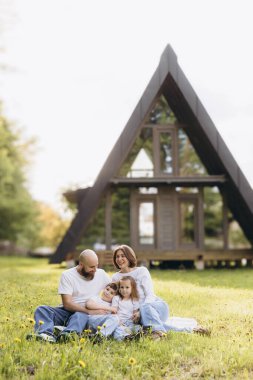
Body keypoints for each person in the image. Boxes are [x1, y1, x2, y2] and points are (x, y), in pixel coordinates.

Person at [111, 245, 209, 339]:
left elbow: (150, 295)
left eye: (123, 256)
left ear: (129, 257)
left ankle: (158, 333)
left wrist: (140, 311)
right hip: (135, 315)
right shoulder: (115, 278)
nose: (119, 259)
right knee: (148, 325)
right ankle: (191, 330)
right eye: (117, 257)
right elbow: (115, 299)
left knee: (146, 310)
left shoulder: (141, 271)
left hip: (154, 306)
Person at [32, 249, 111, 343]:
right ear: (81, 264)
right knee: (41, 309)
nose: (95, 270)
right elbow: (67, 304)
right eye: (91, 267)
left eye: (96, 266)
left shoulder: (101, 274)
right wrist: (89, 311)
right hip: (68, 312)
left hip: (83, 315)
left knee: (80, 315)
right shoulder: (67, 275)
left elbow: (116, 291)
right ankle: (46, 334)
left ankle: (68, 334)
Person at [111, 276, 142, 341]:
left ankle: (136, 335)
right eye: (122, 287)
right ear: (119, 288)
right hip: (120, 322)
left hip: (130, 322)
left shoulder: (134, 300)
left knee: (138, 328)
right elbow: (113, 312)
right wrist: (118, 322)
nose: (124, 290)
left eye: (127, 287)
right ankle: (126, 338)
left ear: (132, 288)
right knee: (118, 331)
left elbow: (135, 313)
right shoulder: (116, 298)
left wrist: (136, 316)